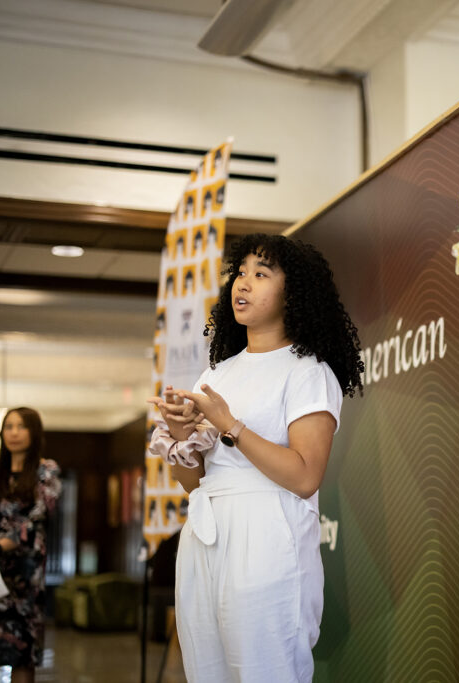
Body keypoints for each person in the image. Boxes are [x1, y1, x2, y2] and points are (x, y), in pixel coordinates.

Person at [148, 234, 363, 683]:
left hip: (268, 537)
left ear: (293, 293)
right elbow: (194, 484)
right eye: (240, 273)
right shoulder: (218, 372)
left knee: (267, 671)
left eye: (261, 274)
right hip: (205, 536)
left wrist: (231, 426)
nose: (243, 283)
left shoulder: (308, 371)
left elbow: (305, 476)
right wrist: (183, 434)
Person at [0, 407, 62, 683]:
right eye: (8, 426)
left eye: (21, 426)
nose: (13, 433)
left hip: (24, 577)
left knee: (22, 653)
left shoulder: (45, 471)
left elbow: (34, 520)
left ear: (33, 432)